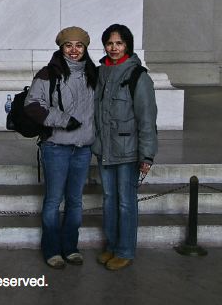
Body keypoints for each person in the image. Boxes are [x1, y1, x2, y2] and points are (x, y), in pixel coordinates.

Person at [24, 26, 97, 269]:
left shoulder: (94, 74)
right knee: (54, 199)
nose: (74, 50)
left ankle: (71, 247)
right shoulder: (48, 74)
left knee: (75, 201)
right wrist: (64, 120)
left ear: (85, 48)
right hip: (56, 147)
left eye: (79, 45)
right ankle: (52, 249)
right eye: (69, 45)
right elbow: (33, 104)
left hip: (83, 148)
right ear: (61, 47)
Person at [93, 24, 158, 271]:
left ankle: (125, 250)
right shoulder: (101, 73)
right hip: (106, 149)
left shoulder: (138, 77)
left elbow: (147, 118)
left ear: (127, 45)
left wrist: (147, 155)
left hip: (129, 151)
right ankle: (111, 245)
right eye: (110, 43)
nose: (114, 48)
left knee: (125, 202)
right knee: (109, 199)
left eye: (119, 43)